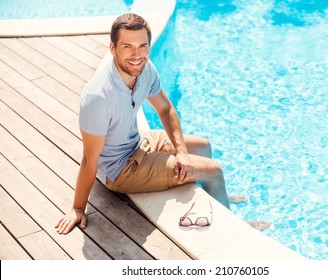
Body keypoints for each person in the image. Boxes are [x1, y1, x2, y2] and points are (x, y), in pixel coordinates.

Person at [55, 13, 267, 235]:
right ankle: (232, 229)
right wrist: (78, 208)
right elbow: (90, 159)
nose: (137, 55)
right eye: (127, 46)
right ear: (112, 47)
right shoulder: (98, 97)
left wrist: (182, 152)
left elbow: (165, 109)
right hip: (119, 169)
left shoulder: (144, 69)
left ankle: (216, 197)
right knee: (214, 171)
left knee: (203, 145)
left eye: (142, 46)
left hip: (137, 144)